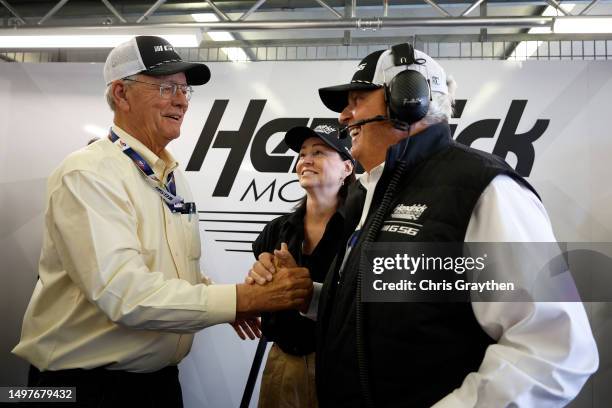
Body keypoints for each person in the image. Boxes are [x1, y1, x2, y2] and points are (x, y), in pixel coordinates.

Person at [250, 43, 598, 407]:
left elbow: (556, 350)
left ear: (407, 100)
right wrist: (312, 298)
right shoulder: (370, 193)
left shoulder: (484, 189)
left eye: (356, 101)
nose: (343, 117)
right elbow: (394, 309)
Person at [12, 35, 311, 408]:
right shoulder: (88, 173)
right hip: (85, 388)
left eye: (185, 90)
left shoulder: (169, 175)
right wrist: (242, 299)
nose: (181, 100)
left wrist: (232, 301)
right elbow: (125, 294)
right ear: (121, 94)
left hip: (156, 385)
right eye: (166, 87)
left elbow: (169, 274)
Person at [250, 125, 355, 407]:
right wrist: (256, 285)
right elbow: (261, 289)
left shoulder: (361, 230)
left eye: (318, 153)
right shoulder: (276, 230)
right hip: (283, 363)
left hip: (340, 367)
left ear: (346, 168)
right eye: (303, 153)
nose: (305, 160)